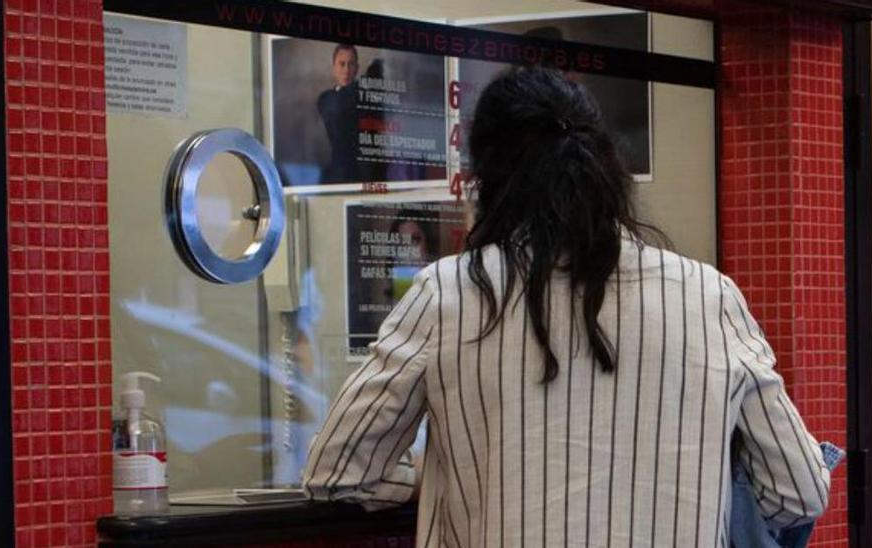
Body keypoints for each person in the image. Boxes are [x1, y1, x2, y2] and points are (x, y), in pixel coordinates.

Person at [303, 66, 831, 546]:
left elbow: (338, 471)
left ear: (485, 183)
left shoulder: (445, 295)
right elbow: (798, 492)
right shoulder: (708, 295)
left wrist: (442, 475)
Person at [317, 44, 362, 183]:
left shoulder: (365, 96)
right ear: (334, 68)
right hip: (337, 172)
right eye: (342, 64)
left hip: (362, 173)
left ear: (357, 68)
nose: (346, 70)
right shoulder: (326, 98)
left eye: (351, 64)